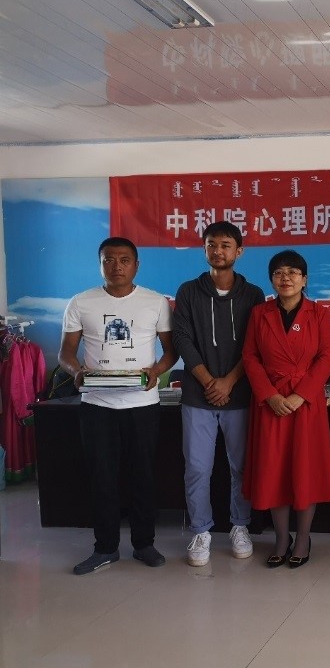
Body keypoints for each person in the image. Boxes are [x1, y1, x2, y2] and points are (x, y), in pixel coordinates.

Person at [59, 237, 178, 575]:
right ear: (100, 265)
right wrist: (77, 372)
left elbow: (171, 351)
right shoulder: (81, 302)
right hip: (97, 404)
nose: (117, 266)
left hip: (142, 404)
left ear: (136, 265)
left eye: (124, 260)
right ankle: (105, 548)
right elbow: (66, 353)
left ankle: (144, 544)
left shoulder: (155, 302)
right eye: (109, 260)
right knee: (102, 477)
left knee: (143, 475)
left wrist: (156, 371)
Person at [172, 221, 265, 567]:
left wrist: (228, 382)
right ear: (204, 249)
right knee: (198, 468)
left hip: (239, 395)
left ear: (239, 251)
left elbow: (255, 345)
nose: (218, 251)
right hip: (198, 396)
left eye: (226, 245)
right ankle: (201, 530)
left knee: (241, 467)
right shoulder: (188, 291)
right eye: (212, 244)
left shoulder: (253, 294)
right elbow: (182, 339)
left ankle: (240, 525)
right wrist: (210, 381)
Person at [242, 250, 330, 568]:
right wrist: (269, 394)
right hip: (271, 403)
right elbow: (250, 357)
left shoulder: (319, 313)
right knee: (275, 472)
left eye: (293, 272)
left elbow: (326, 357)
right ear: (271, 279)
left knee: (304, 470)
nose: (286, 278)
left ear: (304, 279)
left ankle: (303, 538)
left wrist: (301, 395)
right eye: (279, 273)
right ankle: (281, 539)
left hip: (304, 404)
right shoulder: (260, 313)